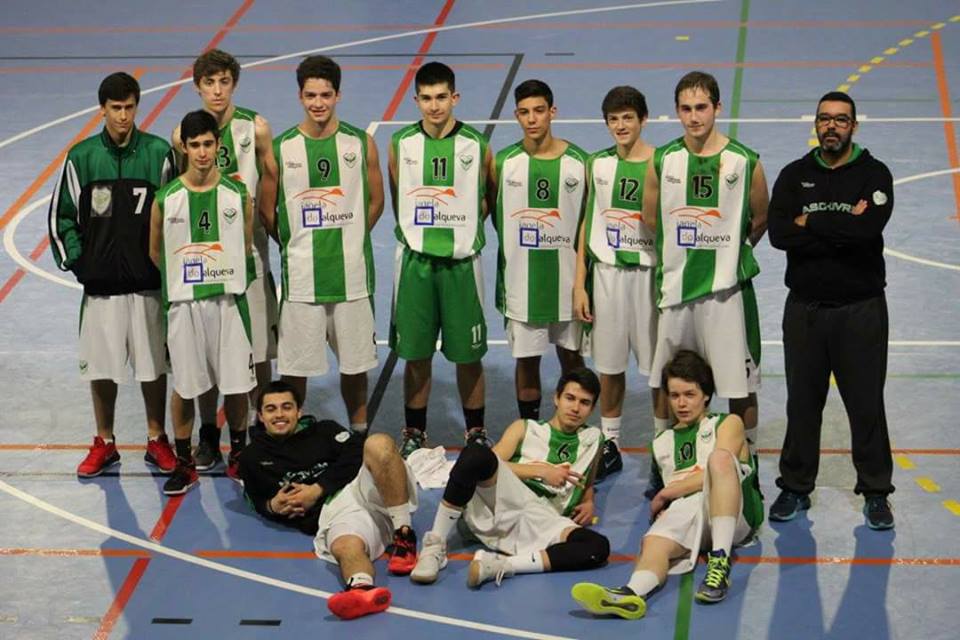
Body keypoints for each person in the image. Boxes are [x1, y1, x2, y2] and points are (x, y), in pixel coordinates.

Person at [767, 91, 895, 529]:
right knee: (803, 403)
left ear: (853, 126)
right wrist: (842, 225)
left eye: (841, 120)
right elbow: (779, 234)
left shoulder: (874, 174)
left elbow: (867, 231)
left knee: (866, 405)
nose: (832, 126)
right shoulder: (794, 175)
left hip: (861, 311)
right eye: (825, 119)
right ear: (816, 124)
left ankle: (876, 492)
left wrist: (811, 222)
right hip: (805, 311)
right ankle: (795, 486)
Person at [642, 71, 768, 488]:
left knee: (739, 384)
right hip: (675, 291)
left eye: (701, 107)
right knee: (666, 379)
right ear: (676, 111)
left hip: (726, 295)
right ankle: (662, 460)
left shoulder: (745, 161)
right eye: (686, 109)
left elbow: (760, 218)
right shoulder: (662, 160)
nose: (694, 117)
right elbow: (650, 219)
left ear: (717, 108)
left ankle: (747, 462)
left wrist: (726, 252)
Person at [49, 72, 177, 477]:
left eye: (129, 107)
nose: (123, 116)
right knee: (102, 367)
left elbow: (175, 213)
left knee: (153, 365)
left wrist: (165, 266)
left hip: (148, 285)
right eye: (116, 108)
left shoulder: (158, 153)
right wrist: (80, 262)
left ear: (138, 107)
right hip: (101, 288)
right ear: (102, 109)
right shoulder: (81, 157)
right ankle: (104, 442)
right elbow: (61, 218)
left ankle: (157, 438)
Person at [571, 350, 763, 619]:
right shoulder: (662, 443)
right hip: (690, 512)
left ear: (706, 395)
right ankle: (630, 594)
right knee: (653, 543)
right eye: (674, 395)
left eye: (690, 394)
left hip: (736, 515)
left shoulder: (728, 423)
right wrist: (666, 503)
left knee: (719, 460)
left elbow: (718, 472)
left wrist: (667, 493)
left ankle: (720, 562)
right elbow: (668, 498)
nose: (681, 403)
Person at [173, 49, 280, 475]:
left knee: (259, 349)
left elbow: (271, 180)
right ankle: (206, 433)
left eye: (224, 82)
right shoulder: (182, 134)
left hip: (250, 257)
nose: (217, 91)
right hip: (204, 262)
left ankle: (262, 427)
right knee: (206, 353)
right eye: (209, 83)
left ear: (234, 84)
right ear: (197, 86)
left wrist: (272, 229)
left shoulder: (256, 128)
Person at [410, 368, 610, 588]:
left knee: (597, 547)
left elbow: (587, 476)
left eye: (584, 402)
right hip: (509, 499)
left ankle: (502, 565)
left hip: (546, 518)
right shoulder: (525, 428)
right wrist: (541, 471)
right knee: (476, 454)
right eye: (570, 398)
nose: (575, 408)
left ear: (592, 408)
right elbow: (491, 463)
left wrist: (588, 500)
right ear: (556, 398)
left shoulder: (594, 438)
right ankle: (434, 546)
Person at [268, 55, 384, 433]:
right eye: (311, 95)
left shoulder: (361, 143)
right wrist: (295, 243)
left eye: (325, 95)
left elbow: (376, 201)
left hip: (351, 277)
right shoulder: (281, 149)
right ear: (299, 96)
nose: (318, 103)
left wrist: (350, 236)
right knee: (295, 367)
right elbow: (268, 211)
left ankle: (359, 432)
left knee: (355, 365)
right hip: (302, 280)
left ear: (338, 95)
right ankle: (292, 436)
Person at [237, 381, 419, 620]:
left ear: (298, 411)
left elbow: (356, 452)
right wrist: (273, 506)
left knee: (378, 444)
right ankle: (361, 589)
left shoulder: (324, 430)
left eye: (286, 407)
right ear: (261, 416)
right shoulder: (252, 457)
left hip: (365, 485)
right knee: (345, 546)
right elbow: (256, 499)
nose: (279, 414)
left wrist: (317, 489)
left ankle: (404, 536)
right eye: (271, 409)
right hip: (336, 514)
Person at [387, 61, 494, 456]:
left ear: (455, 98)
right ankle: (415, 432)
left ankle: (476, 431)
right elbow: (398, 196)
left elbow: (487, 198)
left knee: (469, 356)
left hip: (462, 265)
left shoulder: (477, 145)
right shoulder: (400, 144)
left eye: (441, 97)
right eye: (427, 98)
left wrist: (461, 231)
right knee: (416, 355)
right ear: (416, 100)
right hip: (415, 264)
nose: (434, 106)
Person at [149, 110, 256, 495]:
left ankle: (239, 453)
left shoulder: (237, 195)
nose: (202, 152)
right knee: (185, 386)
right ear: (184, 147)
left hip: (228, 303)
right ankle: (184, 462)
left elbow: (245, 247)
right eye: (194, 145)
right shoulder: (166, 199)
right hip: (184, 307)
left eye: (208, 144)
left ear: (218, 145)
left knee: (237, 383)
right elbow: (156, 253)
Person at [574, 85, 659, 480]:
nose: (621, 126)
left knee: (658, 369)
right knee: (609, 367)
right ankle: (610, 443)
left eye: (628, 118)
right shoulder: (597, 164)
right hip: (606, 276)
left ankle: (664, 444)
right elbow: (586, 224)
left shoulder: (662, 163)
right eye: (613, 119)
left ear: (643, 120)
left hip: (648, 276)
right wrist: (580, 283)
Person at [491, 79, 586, 423]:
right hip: (521, 284)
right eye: (524, 112)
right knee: (527, 361)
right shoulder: (503, 163)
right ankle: (530, 430)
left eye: (539, 111)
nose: (532, 119)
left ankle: (574, 430)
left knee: (572, 360)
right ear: (516, 115)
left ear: (552, 112)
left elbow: (587, 223)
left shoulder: (579, 163)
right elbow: (494, 214)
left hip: (568, 284)